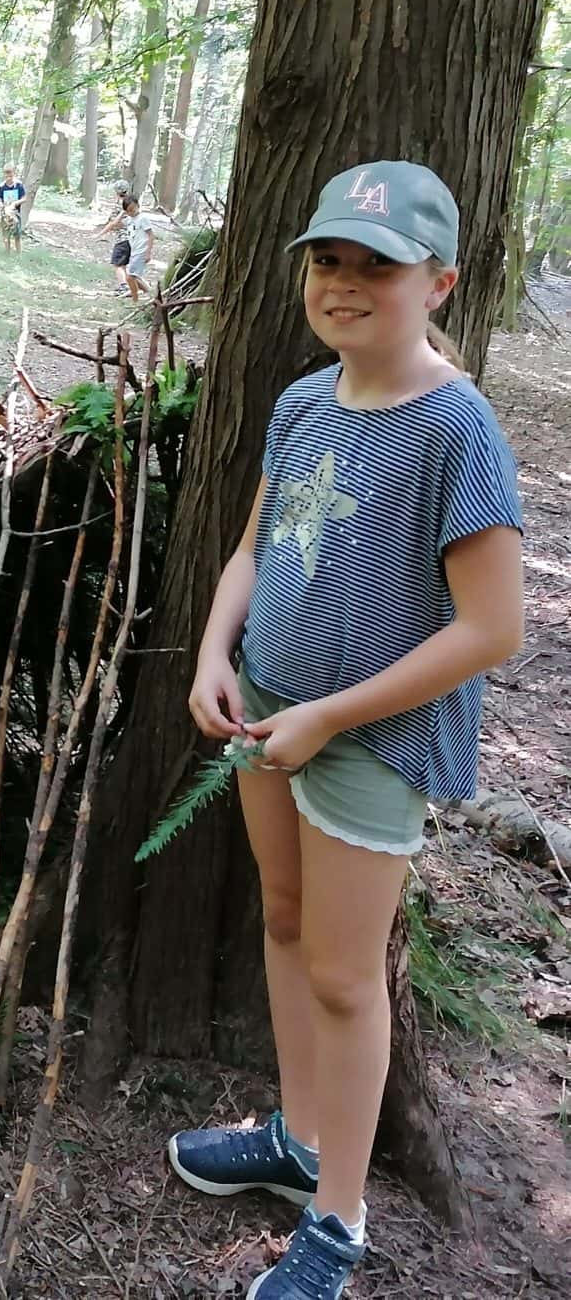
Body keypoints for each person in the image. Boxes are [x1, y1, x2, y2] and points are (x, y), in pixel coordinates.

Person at [169, 162, 523, 1298]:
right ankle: (298, 1134)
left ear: (440, 282)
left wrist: (328, 716)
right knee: (279, 917)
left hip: (365, 740)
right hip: (265, 705)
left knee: (340, 973)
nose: (346, 283)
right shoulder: (299, 402)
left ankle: (335, 1224)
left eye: (380, 264)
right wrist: (215, 654)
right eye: (328, 259)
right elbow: (250, 552)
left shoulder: (453, 429)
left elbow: (490, 629)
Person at [121, 196, 155, 305]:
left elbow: (151, 235)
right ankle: (152, 295)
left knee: (130, 277)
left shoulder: (143, 218)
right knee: (134, 277)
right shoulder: (130, 220)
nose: (132, 212)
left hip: (142, 251)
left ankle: (135, 300)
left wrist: (148, 252)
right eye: (129, 210)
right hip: (134, 251)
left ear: (138, 206)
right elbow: (117, 223)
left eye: (133, 209)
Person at [0, 165, 27, 253]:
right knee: (6, 234)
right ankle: (7, 253)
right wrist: (1, 204)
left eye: (10, 174)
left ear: (14, 173)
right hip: (5, 213)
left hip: (16, 213)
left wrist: (16, 203)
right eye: (6, 174)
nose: (8, 176)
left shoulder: (18, 185)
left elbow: (24, 198)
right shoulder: (2, 186)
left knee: (17, 235)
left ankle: (19, 253)